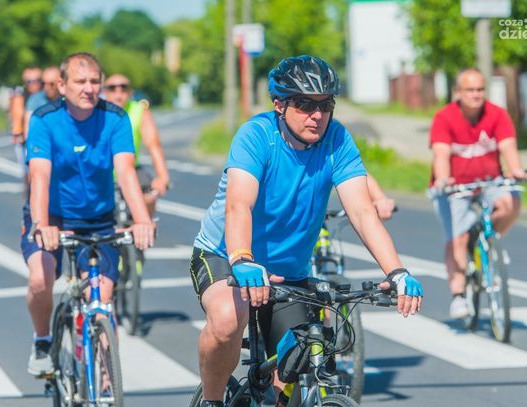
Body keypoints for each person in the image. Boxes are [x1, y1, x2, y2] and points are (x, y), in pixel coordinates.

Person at [189, 55, 424, 407]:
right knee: (226, 321)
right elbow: (239, 205)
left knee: (296, 362)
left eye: (325, 105)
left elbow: (362, 212)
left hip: (289, 270)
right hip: (226, 255)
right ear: (279, 104)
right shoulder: (257, 135)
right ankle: (211, 401)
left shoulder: (337, 140)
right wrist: (242, 259)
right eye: (304, 104)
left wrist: (397, 271)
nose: (317, 115)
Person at [22, 52, 155, 377]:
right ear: (62, 85)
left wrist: (141, 220)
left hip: (98, 220)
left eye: (95, 81)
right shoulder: (44, 119)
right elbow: (39, 176)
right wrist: (42, 225)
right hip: (51, 216)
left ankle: (105, 383)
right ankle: (42, 341)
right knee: (41, 278)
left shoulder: (115, 118)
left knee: (102, 302)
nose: (89, 88)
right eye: (80, 81)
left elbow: (126, 172)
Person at [429, 68, 525, 319]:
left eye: (480, 89)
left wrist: (516, 170)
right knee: (457, 239)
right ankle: (458, 295)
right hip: (454, 187)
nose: (476, 94)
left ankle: (488, 240)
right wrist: (443, 179)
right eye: (470, 90)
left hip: (489, 182)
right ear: (458, 92)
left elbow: (508, 146)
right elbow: (441, 153)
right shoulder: (445, 117)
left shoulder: (497, 114)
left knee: (511, 202)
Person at [103, 74, 170, 216]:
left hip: (131, 168)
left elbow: (153, 144)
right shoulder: (96, 111)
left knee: (149, 195)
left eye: (123, 88)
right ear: (104, 92)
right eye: (112, 88)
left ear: (130, 92)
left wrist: (162, 176)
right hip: (102, 170)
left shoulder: (139, 111)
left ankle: (146, 227)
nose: (118, 93)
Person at [9, 66, 43, 170]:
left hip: (44, 136)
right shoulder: (20, 96)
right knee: (28, 170)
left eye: (36, 80)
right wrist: (17, 132)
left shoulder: (47, 94)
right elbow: (17, 114)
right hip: (26, 138)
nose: (33, 84)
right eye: (29, 81)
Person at [23, 66, 62, 138]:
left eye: (51, 84)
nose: (46, 88)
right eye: (43, 83)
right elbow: (28, 127)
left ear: (60, 83)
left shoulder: (68, 99)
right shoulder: (35, 99)